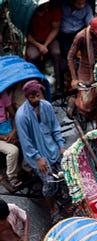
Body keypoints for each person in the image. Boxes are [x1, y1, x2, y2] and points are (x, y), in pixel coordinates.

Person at [15, 81, 65, 221]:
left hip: (53, 149)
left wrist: (61, 146)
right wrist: (38, 158)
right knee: (49, 183)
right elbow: (26, 142)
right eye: (32, 96)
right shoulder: (21, 116)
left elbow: (55, 127)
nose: (36, 99)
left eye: (37, 95)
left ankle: (65, 199)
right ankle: (53, 209)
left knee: (66, 173)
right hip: (37, 155)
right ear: (27, 97)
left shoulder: (47, 106)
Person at [67, 16, 97, 110]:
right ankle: (74, 100)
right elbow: (70, 57)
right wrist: (74, 79)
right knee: (87, 104)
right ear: (93, 31)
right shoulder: (81, 36)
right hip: (86, 70)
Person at [24, 1, 63, 94]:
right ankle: (36, 82)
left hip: (49, 39)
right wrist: (39, 45)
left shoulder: (54, 9)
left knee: (56, 53)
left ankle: (59, 84)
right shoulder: (29, 12)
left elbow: (55, 28)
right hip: (34, 41)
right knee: (33, 56)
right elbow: (27, 33)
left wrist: (45, 45)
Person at [59, 0, 93, 80]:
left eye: (83, 3)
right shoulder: (63, 6)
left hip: (79, 31)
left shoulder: (87, 8)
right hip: (65, 35)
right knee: (68, 55)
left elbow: (90, 22)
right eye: (79, 3)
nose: (81, 6)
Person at [0, 90, 20, 190]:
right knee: (13, 151)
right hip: (2, 136)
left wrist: (13, 132)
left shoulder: (3, 95)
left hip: (7, 130)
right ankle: (11, 177)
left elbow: (14, 115)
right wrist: (4, 137)